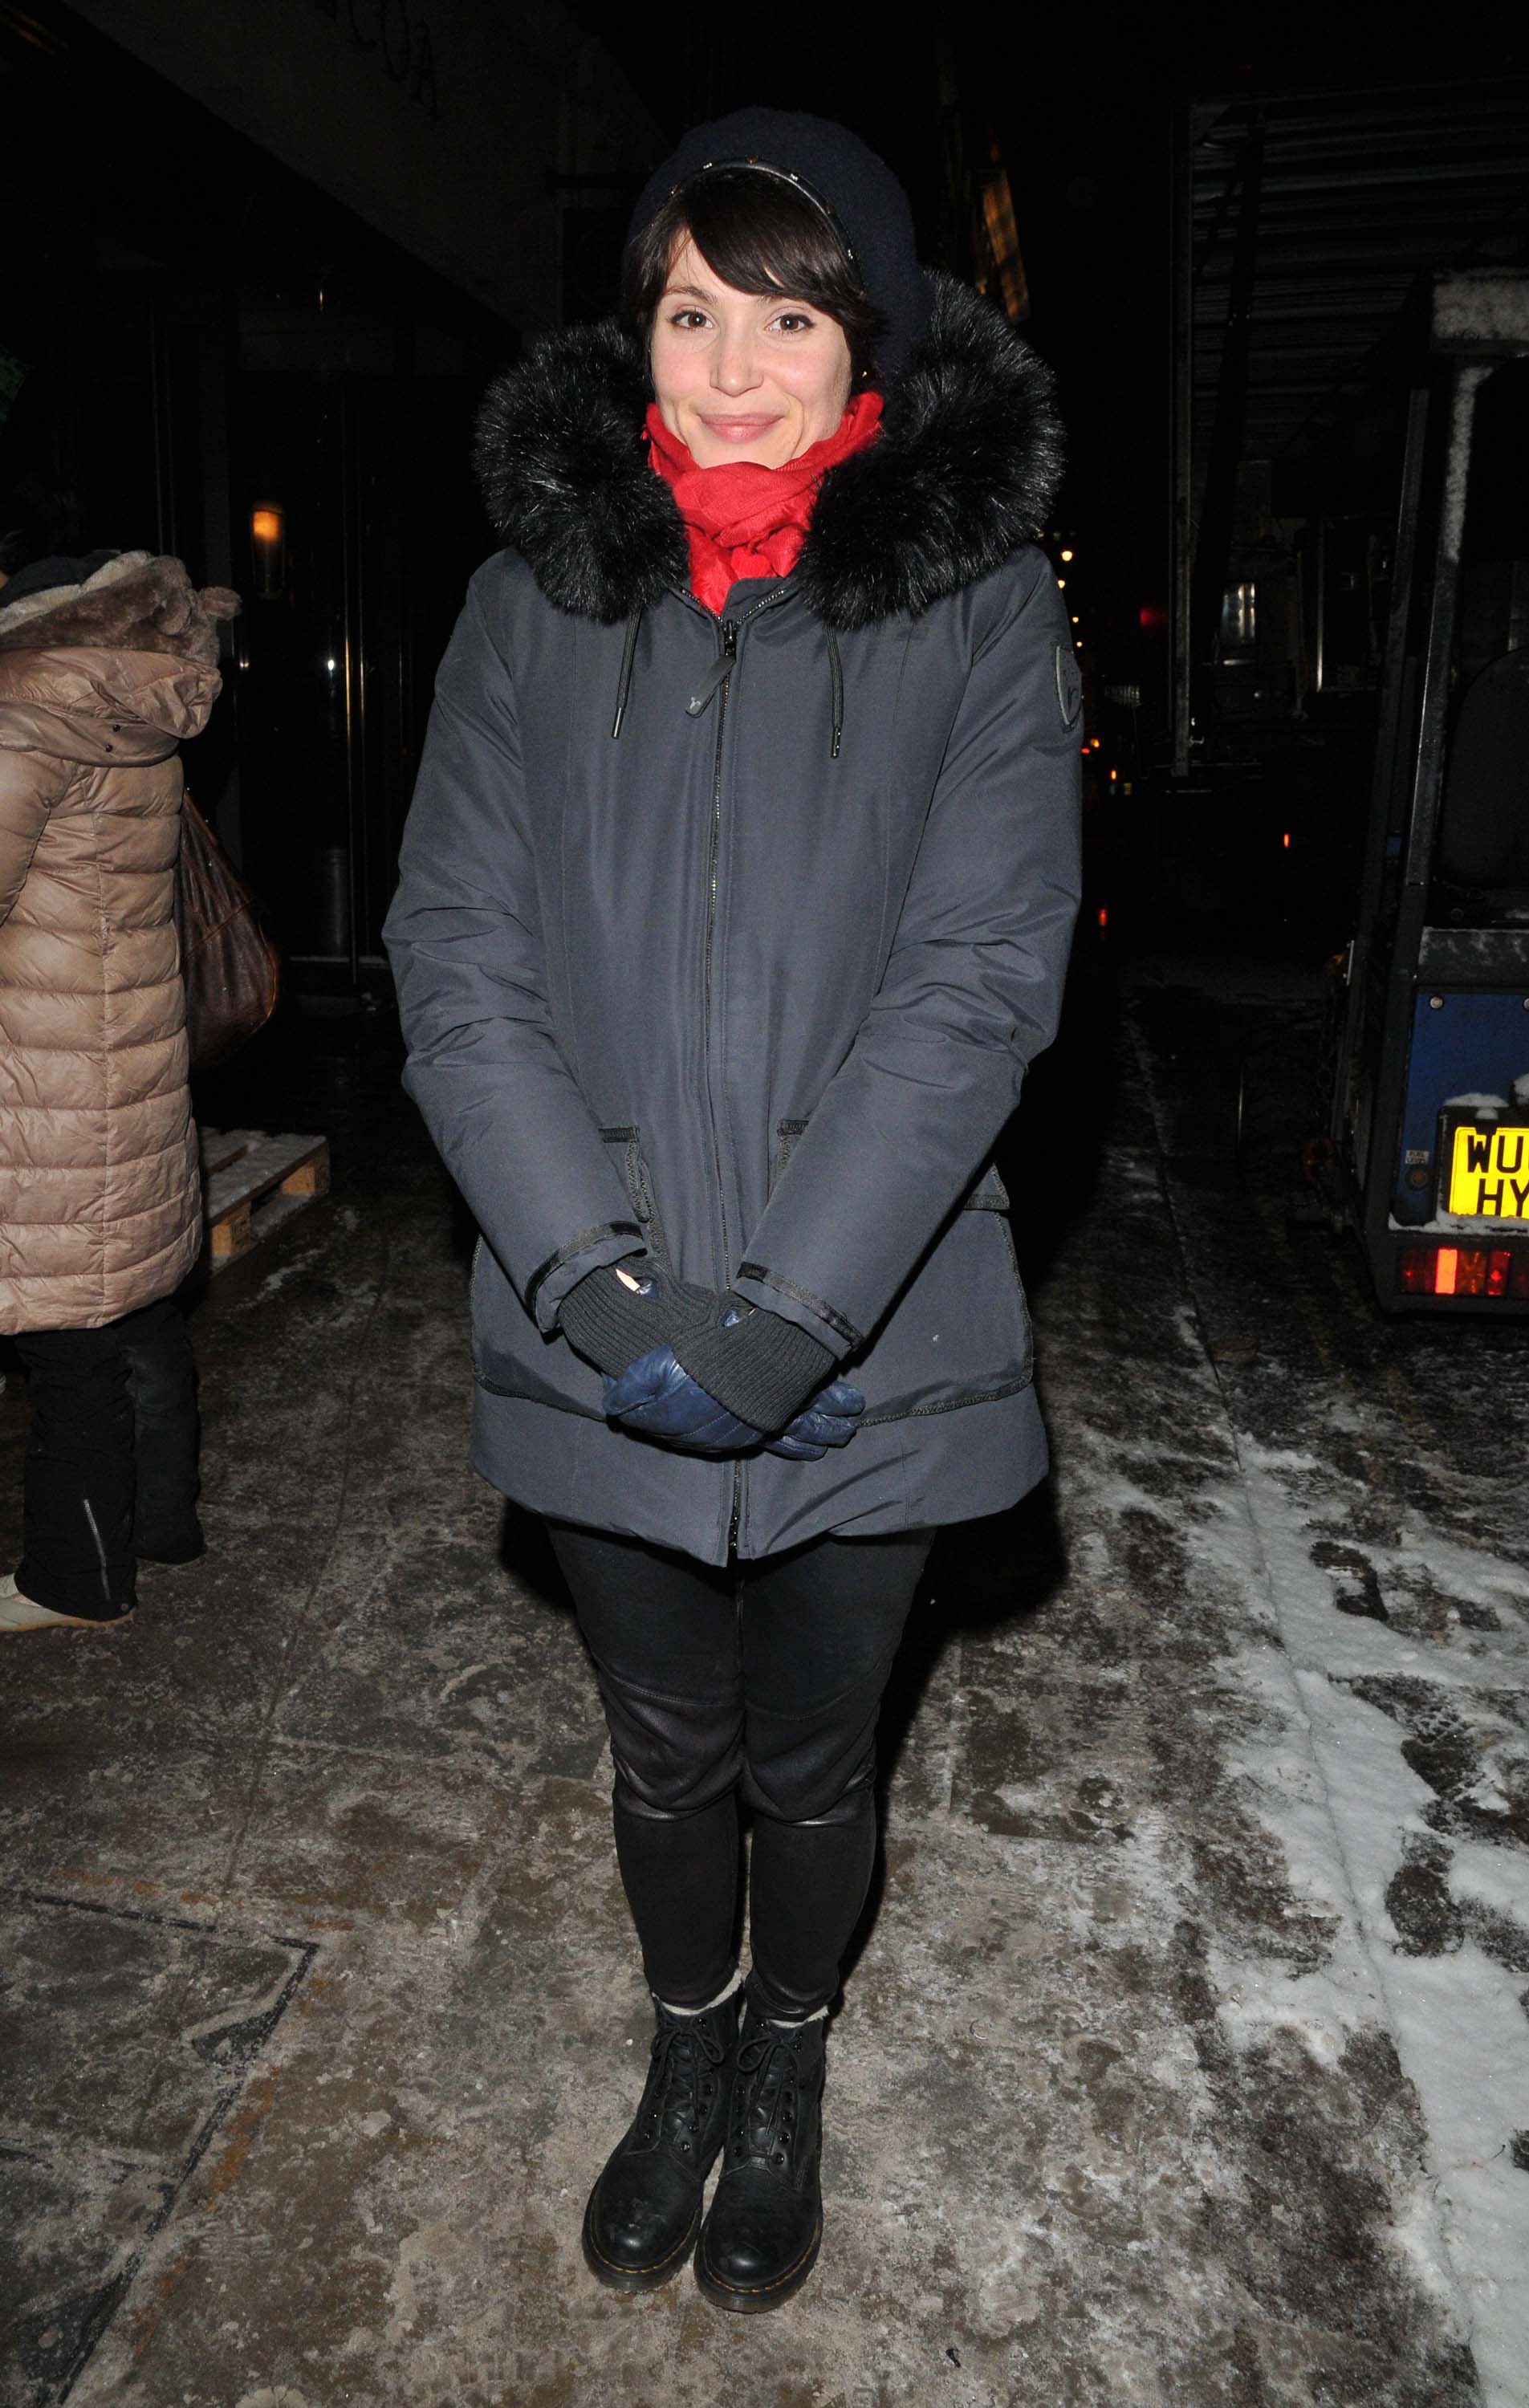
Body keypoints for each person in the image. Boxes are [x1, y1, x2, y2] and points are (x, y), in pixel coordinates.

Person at [384, 108, 1081, 2312]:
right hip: (595, 1312)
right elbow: (455, 954)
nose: (737, 365)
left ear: (867, 341)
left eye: (789, 316)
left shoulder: (973, 622)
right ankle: (684, 2060)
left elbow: (978, 979)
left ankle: (787, 2068)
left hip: (870, 1333)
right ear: (637, 334)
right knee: (662, 1748)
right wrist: (594, 1287)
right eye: (693, 312)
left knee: (812, 1755)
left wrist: (787, 1318)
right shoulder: (527, 611)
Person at [0, 543, 238, 1633]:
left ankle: (75, 1581)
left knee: (67, 1338)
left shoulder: (29, 700)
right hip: (127, 1047)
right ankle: (161, 1529)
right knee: (133, 1300)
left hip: (44, 1065)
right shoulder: (137, 694)